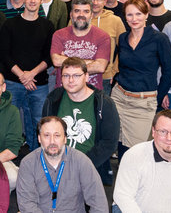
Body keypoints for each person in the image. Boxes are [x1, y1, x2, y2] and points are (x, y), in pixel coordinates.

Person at [112, 110, 171, 212]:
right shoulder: (134, 156)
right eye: (163, 132)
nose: (169, 138)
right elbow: (123, 196)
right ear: (153, 132)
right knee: (119, 207)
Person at [42, 57, 120, 185]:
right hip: (56, 163)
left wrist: (80, 165)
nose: (71, 80)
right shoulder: (53, 99)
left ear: (87, 77)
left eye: (76, 75)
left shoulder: (103, 103)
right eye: (66, 76)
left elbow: (109, 143)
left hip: (88, 166)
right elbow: (44, 134)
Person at [0, 0, 54, 149]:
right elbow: (3, 53)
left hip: (39, 83)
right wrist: (22, 75)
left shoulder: (47, 26)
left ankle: (36, 160)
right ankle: (7, 162)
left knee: (39, 123)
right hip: (13, 82)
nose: (32, 1)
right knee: (9, 122)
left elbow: (50, 56)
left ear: (41, 0)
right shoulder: (10, 24)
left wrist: (31, 74)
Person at [111, 0, 171, 155]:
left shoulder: (159, 39)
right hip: (119, 97)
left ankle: (135, 179)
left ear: (146, 15)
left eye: (138, 14)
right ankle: (121, 178)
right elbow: (121, 66)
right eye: (129, 15)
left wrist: (156, 100)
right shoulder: (123, 38)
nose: (134, 19)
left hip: (142, 103)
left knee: (134, 150)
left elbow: (168, 72)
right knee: (117, 143)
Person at [16, 116, 108, 213]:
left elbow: (99, 204)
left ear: (65, 138)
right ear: (39, 138)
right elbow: (27, 204)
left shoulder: (82, 162)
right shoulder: (28, 163)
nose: (52, 141)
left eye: (57, 135)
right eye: (47, 135)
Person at [51, 0, 111, 91]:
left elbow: (100, 67)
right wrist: (90, 61)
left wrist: (67, 62)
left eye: (86, 11)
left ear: (91, 15)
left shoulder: (103, 37)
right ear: (71, 14)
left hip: (92, 93)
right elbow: (56, 61)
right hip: (63, 92)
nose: (81, 15)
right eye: (77, 11)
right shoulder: (59, 35)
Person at [84, 0, 127, 94]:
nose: (95, 3)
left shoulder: (115, 20)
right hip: (79, 74)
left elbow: (124, 48)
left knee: (100, 110)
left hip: (105, 77)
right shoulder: (77, 18)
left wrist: (115, 71)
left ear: (105, 1)